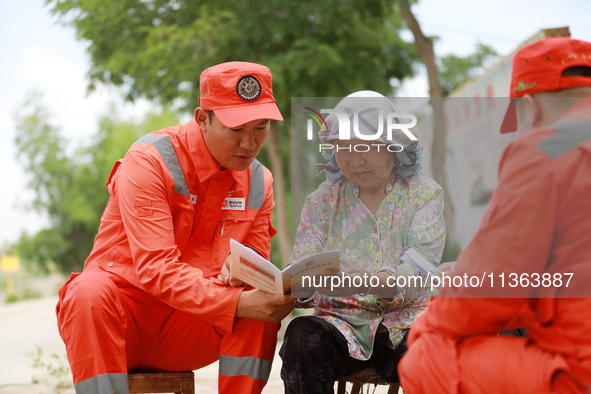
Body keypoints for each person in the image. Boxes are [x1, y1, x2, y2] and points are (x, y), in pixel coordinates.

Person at [55, 61, 295, 394]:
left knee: (258, 312)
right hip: (120, 325)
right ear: (202, 119)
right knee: (87, 292)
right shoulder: (149, 160)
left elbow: (253, 268)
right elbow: (156, 270)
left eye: (260, 127)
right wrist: (236, 303)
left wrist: (257, 282)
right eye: (236, 129)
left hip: (186, 331)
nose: (248, 143)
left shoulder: (259, 181)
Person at [399, 37, 591, 393]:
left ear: (529, 106)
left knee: (425, 354)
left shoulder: (548, 147)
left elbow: (487, 293)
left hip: (580, 371)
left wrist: (432, 317)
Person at [279, 91, 446, 393]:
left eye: (366, 147)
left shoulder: (424, 195)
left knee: (437, 348)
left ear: (392, 146)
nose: (355, 160)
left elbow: (420, 272)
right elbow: (303, 266)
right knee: (301, 337)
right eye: (343, 148)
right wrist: (300, 287)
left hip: (406, 324)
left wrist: (366, 282)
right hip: (342, 326)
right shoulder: (321, 203)